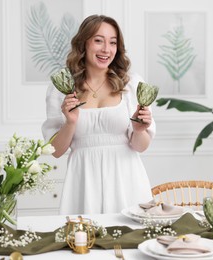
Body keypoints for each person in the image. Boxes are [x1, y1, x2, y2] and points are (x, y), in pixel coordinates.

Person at [42, 14, 156, 214]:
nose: (106, 49)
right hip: (83, 182)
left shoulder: (131, 84)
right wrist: (70, 122)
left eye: (113, 43)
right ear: (83, 44)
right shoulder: (62, 88)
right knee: (83, 242)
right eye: (98, 41)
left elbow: (141, 146)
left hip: (127, 180)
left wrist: (139, 130)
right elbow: (56, 151)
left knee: (129, 241)